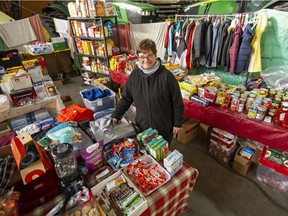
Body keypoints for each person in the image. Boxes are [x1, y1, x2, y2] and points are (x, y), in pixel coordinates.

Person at [111, 39, 184, 145]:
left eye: (149, 55)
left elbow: (177, 102)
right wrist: (117, 114)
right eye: (142, 57)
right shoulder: (134, 76)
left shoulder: (167, 77)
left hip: (164, 128)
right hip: (142, 127)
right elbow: (126, 98)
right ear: (138, 57)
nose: (146, 60)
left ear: (155, 55)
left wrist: (177, 123)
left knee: (162, 154)